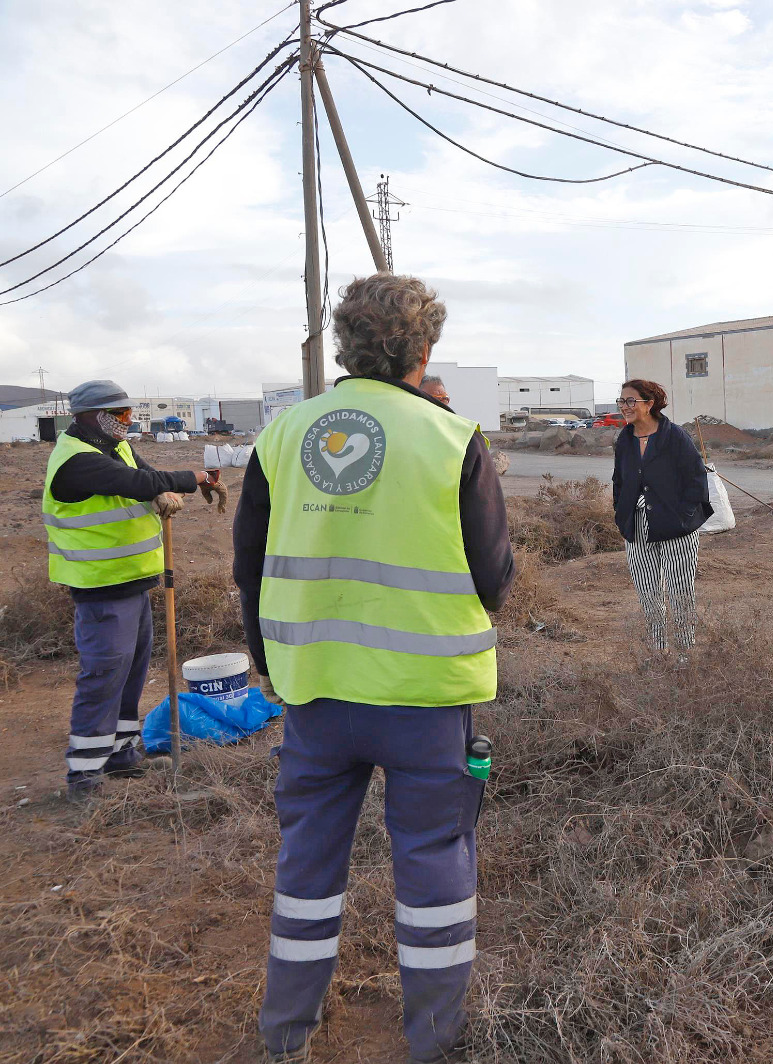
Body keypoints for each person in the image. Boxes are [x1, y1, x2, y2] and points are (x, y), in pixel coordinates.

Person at [235, 274, 514, 1063]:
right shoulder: (452, 437)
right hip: (425, 701)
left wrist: (274, 668)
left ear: (343, 348)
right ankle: (435, 1041)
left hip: (316, 696)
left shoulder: (283, 435)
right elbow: (493, 577)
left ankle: (284, 1036)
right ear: (424, 351)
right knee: (432, 868)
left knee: (306, 865)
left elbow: (248, 567)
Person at [42, 380, 216, 801]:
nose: (128, 420)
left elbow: (144, 478)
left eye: (128, 412)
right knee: (104, 675)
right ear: (88, 416)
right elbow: (139, 483)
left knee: (132, 670)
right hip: (101, 589)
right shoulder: (76, 461)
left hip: (132, 581)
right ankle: (83, 776)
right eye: (118, 414)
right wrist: (190, 477)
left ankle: (122, 755)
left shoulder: (113, 447)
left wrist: (161, 490)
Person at [611, 379, 711, 657]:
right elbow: (619, 480)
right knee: (648, 593)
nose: (625, 407)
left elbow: (696, 479)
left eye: (631, 401)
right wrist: (621, 515)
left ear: (650, 404)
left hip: (676, 526)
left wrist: (683, 516)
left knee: (680, 592)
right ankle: (658, 651)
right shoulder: (625, 439)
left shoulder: (674, 436)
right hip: (637, 526)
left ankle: (684, 652)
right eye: (622, 401)